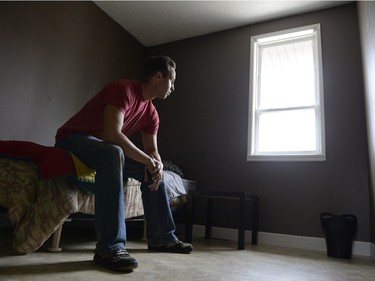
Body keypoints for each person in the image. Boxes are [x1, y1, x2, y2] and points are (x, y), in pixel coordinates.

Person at [55, 56, 193, 272]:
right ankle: (109, 249)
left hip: (102, 147)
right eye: (172, 80)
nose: (173, 87)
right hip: (73, 139)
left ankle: (162, 237)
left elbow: (151, 150)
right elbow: (112, 134)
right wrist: (148, 160)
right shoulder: (123, 89)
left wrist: (156, 166)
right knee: (113, 152)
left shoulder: (152, 113)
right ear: (158, 76)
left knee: (153, 169)